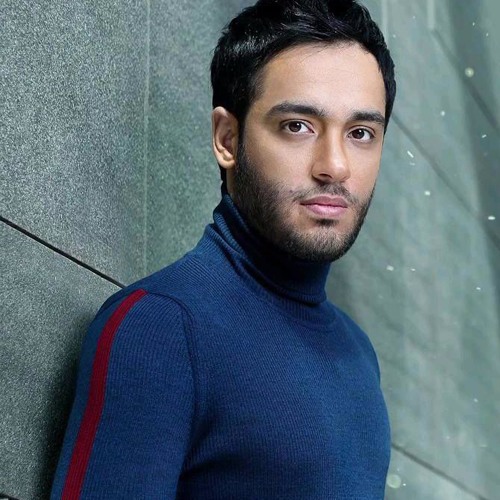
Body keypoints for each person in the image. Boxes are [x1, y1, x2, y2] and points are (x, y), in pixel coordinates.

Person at [51, 0, 396, 498]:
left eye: (361, 133)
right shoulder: (159, 327)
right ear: (227, 139)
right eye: (297, 126)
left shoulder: (358, 354)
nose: (335, 166)